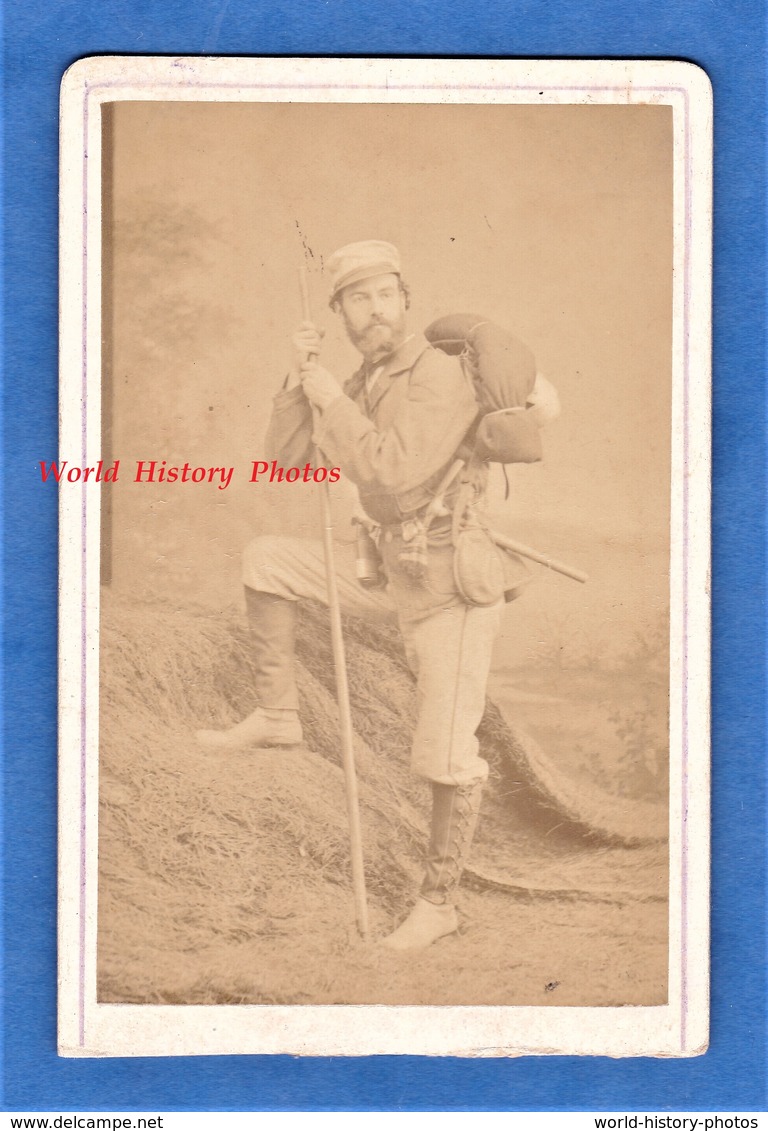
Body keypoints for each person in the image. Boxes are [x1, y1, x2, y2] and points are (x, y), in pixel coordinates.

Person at [196, 239, 551, 949]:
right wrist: (299, 381)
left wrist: (331, 398)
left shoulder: (441, 374)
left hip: (453, 585)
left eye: (385, 293)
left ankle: (440, 900)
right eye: (357, 299)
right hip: (393, 575)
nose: (374, 309)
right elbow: (283, 460)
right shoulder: (363, 380)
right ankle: (277, 714)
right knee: (266, 560)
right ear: (341, 313)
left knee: (444, 752)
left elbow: (392, 473)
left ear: (406, 299)